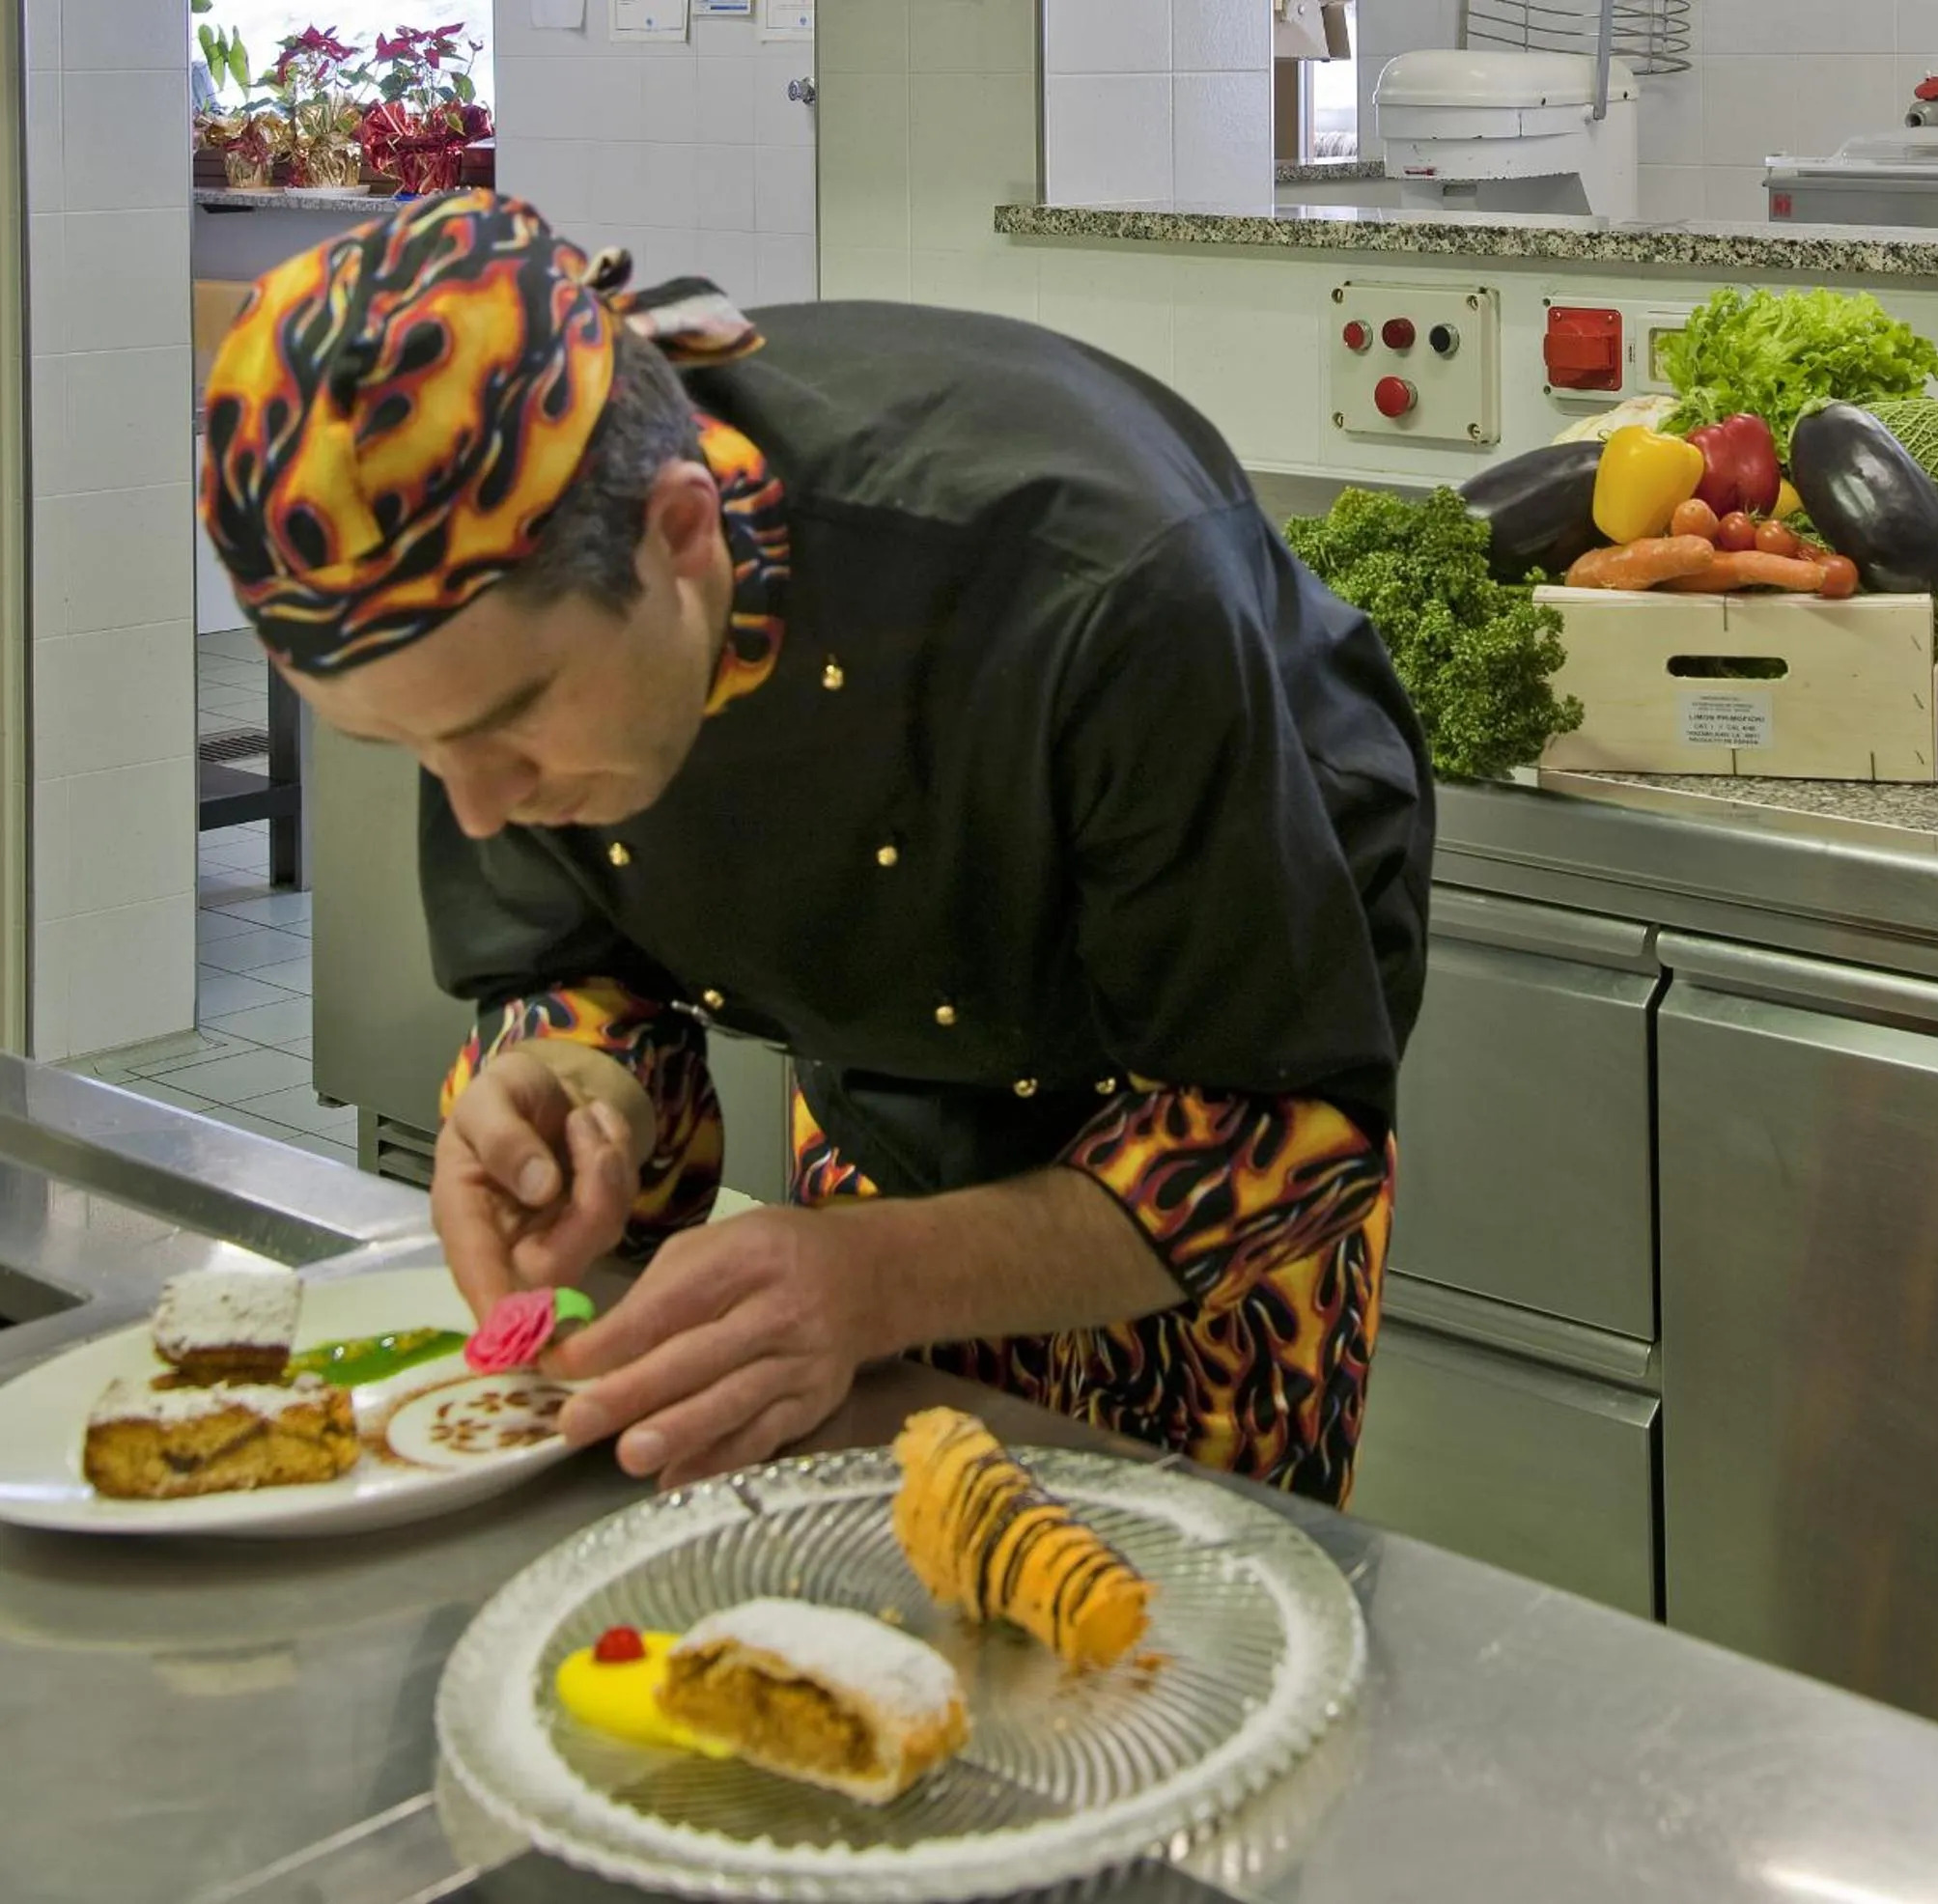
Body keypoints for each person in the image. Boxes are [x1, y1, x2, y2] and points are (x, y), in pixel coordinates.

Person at [198, 193, 1433, 1506]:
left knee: (1177, 1620)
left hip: (1199, 1129)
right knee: (864, 1568)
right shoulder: (501, 624)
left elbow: (1289, 1128)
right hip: (876, 1086)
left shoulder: (1099, 583)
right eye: (418, 749)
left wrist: (873, 1277)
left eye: (505, 725)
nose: (481, 807)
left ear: (679, 536)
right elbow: (582, 977)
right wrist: (579, 1095)